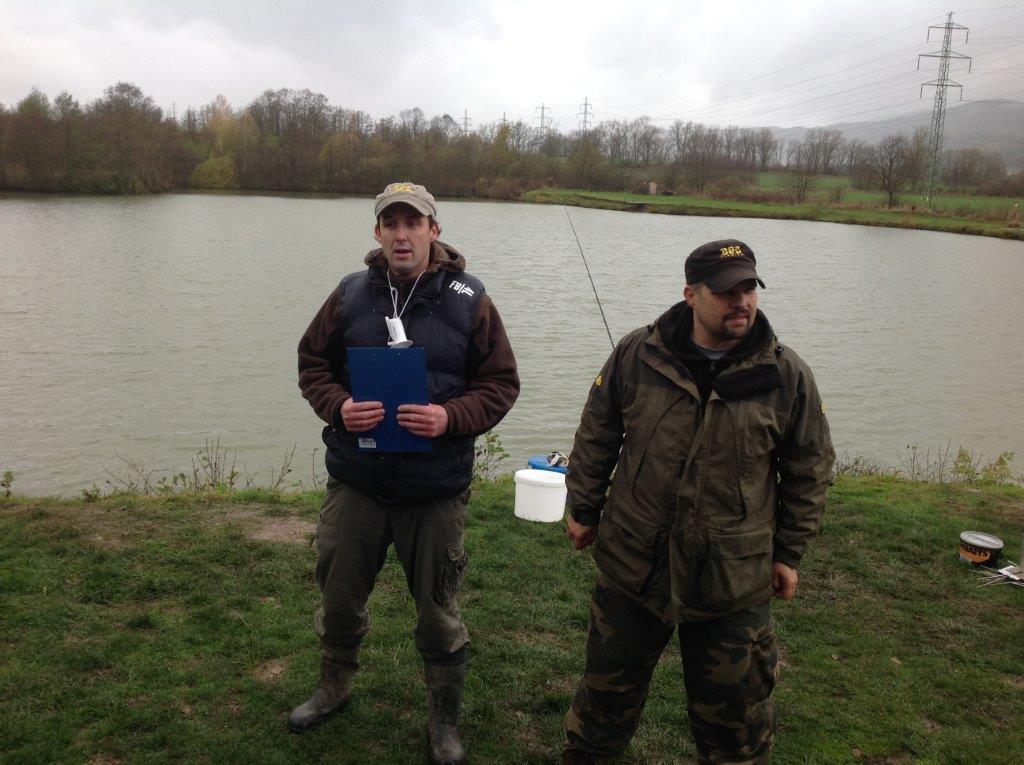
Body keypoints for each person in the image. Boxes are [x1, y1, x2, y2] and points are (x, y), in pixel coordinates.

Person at [561, 239, 834, 764]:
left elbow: (809, 469)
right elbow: (598, 432)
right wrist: (584, 507)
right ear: (691, 293)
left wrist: (788, 554)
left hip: (732, 579)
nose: (742, 301)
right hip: (634, 564)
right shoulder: (638, 354)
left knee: (735, 731)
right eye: (727, 290)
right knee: (601, 713)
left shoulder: (785, 374)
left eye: (750, 287)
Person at [292, 182, 519, 765]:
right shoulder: (349, 295)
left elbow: (500, 386)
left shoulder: (471, 299)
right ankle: (334, 687)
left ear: (433, 230)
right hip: (358, 482)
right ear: (376, 232)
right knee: (338, 599)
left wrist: (449, 417)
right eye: (390, 223)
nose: (401, 234)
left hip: (434, 490)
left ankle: (444, 721)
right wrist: (338, 406)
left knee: (438, 613)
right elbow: (312, 363)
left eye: (412, 223)